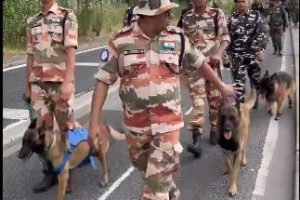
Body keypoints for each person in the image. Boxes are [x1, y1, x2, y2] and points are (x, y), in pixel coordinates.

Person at [88, 0, 236, 199]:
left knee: (154, 191)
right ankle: (170, 192)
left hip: (168, 125)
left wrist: (222, 86)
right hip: (136, 127)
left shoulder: (178, 38)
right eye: (166, 13)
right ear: (150, 16)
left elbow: (200, 63)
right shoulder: (120, 42)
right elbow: (103, 81)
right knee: (151, 175)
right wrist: (93, 123)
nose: (170, 17)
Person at [24, 0, 78, 193]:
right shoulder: (32, 21)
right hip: (38, 84)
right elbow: (30, 55)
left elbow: (71, 52)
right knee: (42, 132)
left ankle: (66, 173)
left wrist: (68, 82)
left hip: (59, 82)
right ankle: (50, 172)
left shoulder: (66, 16)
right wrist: (28, 87)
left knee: (65, 130)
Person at [181, 0, 230, 158]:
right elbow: (181, 42)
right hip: (194, 68)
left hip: (212, 65)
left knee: (215, 101)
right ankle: (196, 139)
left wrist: (219, 53)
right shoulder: (186, 17)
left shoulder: (217, 14)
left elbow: (225, 37)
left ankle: (214, 127)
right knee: (198, 102)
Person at [227, 0, 268, 105]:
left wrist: (260, 50)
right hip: (237, 56)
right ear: (236, 4)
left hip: (253, 54)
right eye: (239, 2)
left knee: (255, 80)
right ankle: (240, 107)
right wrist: (226, 55)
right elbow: (227, 37)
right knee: (239, 83)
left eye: (243, 1)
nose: (241, 4)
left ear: (248, 3)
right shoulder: (231, 18)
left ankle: (255, 99)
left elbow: (262, 33)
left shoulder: (256, 15)